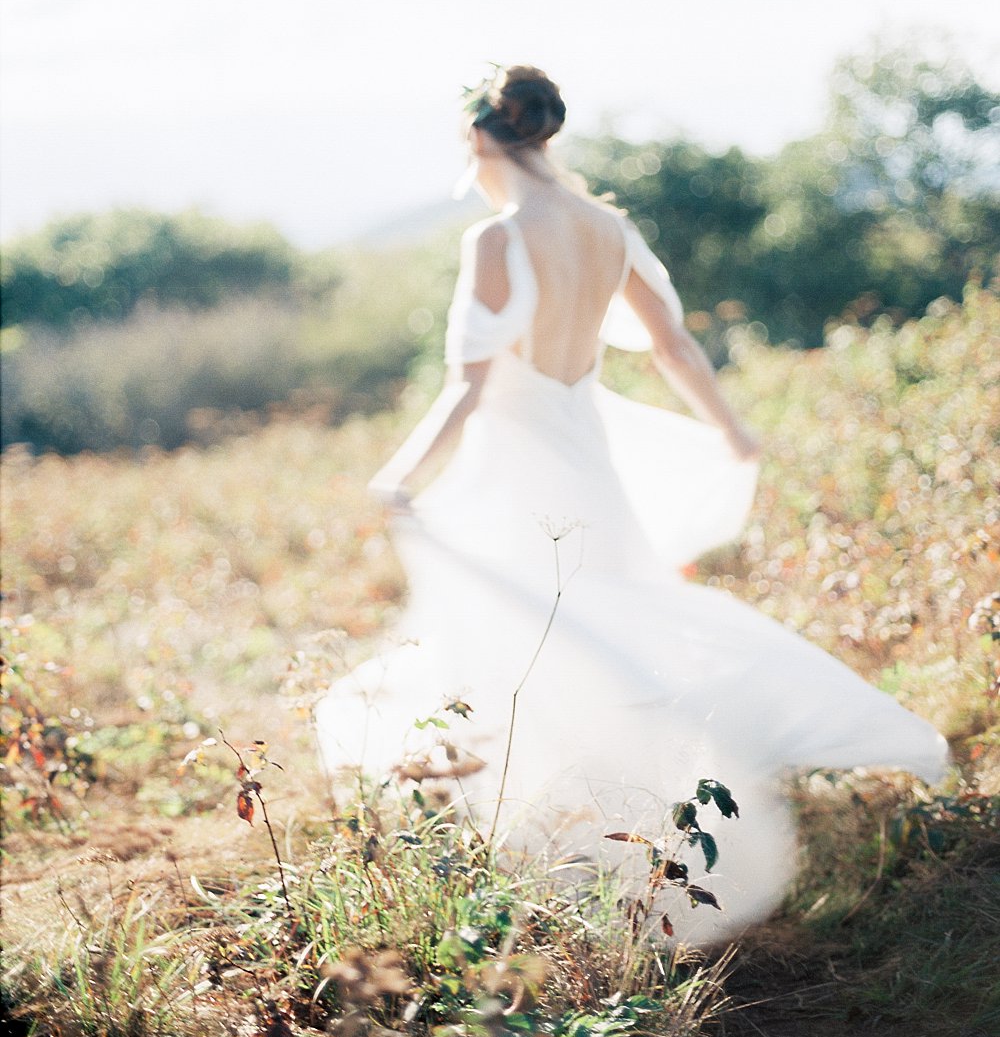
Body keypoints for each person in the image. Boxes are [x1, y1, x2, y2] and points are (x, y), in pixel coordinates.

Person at [314, 65, 948, 943]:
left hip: (519, 470)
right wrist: (731, 429)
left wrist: (399, 475)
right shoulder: (607, 226)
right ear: (545, 133)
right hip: (589, 462)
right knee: (595, 637)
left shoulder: (497, 239)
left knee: (526, 646)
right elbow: (673, 343)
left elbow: (466, 384)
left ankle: (575, 843)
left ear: (478, 139)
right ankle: (617, 829)